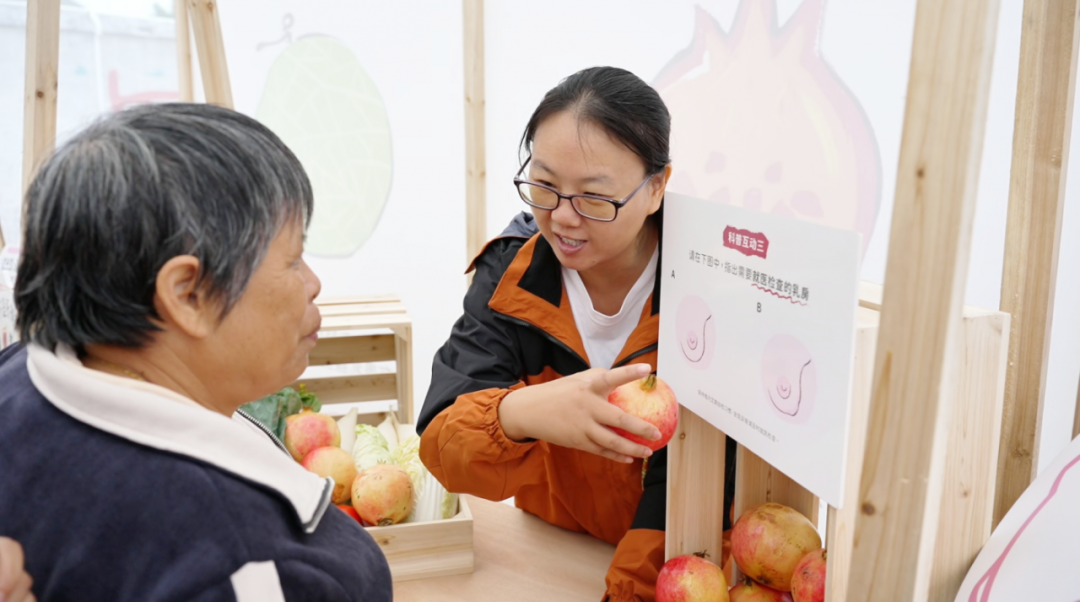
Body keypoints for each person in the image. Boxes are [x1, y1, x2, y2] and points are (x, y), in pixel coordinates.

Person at [0, 104, 392, 601]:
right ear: (187, 295)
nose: (313, 283)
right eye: (293, 258)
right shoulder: (245, 566)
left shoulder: (17, 377)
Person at [418, 66, 736, 601]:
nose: (563, 218)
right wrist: (519, 413)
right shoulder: (512, 273)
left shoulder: (706, 294)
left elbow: (703, 481)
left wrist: (628, 591)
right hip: (548, 548)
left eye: (594, 197)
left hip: (665, 563)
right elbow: (441, 445)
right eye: (544, 186)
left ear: (657, 188)